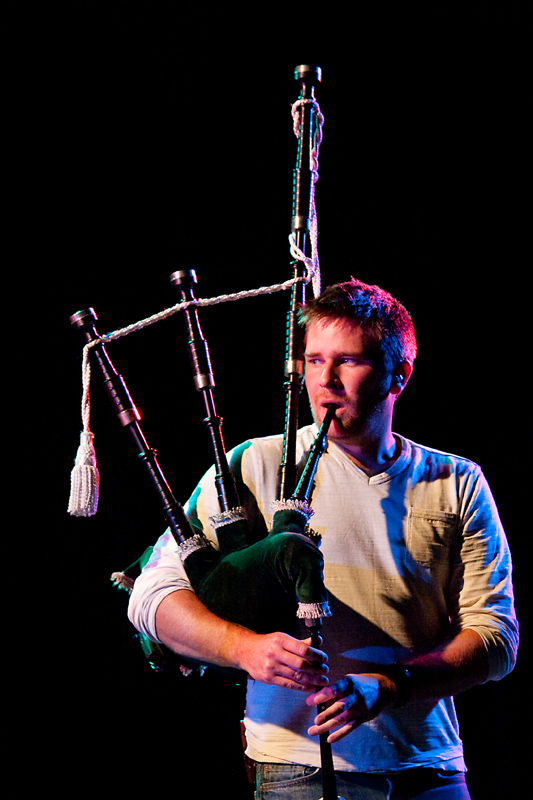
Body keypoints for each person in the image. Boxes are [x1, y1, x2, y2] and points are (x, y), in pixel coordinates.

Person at [128, 278, 518, 799]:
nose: (325, 381)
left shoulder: (456, 482)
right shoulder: (254, 464)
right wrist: (242, 648)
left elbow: (496, 638)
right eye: (314, 361)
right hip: (299, 768)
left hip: (430, 771)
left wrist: (390, 686)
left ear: (398, 375)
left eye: (348, 362)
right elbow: (151, 596)